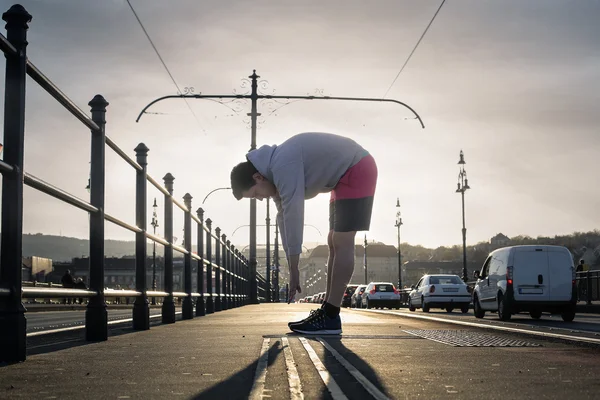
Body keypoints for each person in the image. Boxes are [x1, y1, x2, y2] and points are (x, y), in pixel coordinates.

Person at [230, 132, 377, 334]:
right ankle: (328, 310)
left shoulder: (282, 166)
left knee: (342, 239)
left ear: (258, 177)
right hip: (343, 175)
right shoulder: (275, 172)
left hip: (357, 168)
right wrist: (292, 268)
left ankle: (331, 315)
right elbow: (283, 219)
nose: (261, 199)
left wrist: (295, 267)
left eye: (256, 194)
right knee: (333, 241)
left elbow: (294, 214)